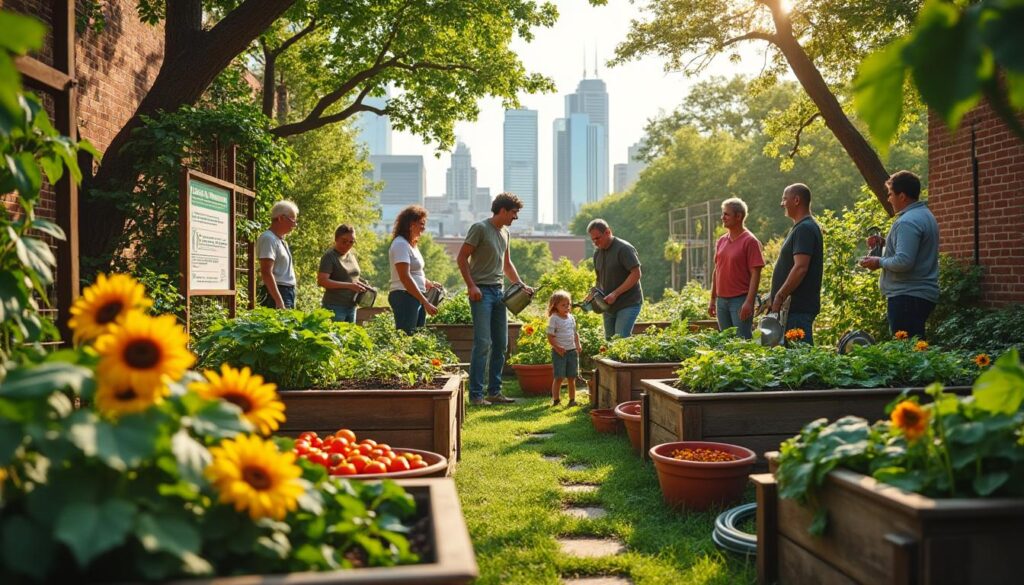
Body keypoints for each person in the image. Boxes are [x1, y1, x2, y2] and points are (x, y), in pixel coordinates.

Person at [458, 192, 531, 406]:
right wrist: (471, 286)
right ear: (502, 210)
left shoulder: (506, 233)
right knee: (483, 343)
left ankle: (494, 392)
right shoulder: (480, 228)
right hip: (481, 292)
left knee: (501, 343)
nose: (515, 217)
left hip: (499, 293)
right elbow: (462, 257)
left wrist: (520, 285)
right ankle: (476, 395)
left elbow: (507, 264)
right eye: (514, 213)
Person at [858, 171, 939, 339]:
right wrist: (884, 244)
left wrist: (878, 261)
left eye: (890, 194)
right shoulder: (924, 215)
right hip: (919, 296)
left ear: (902, 196)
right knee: (914, 350)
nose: (888, 199)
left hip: (907, 297)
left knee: (905, 355)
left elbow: (904, 261)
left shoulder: (907, 221)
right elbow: (912, 252)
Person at [769, 183, 823, 345]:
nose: (782, 203)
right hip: (794, 309)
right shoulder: (802, 227)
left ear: (797, 200)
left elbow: (800, 267)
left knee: (801, 363)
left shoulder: (804, 229)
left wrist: (780, 296)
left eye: (785, 199)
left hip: (798, 309)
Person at [709, 198, 765, 339]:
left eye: (726, 214)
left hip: (740, 300)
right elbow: (717, 270)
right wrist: (712, 299)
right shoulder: (721, 241)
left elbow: (755, 274)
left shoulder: (750, 241)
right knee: (726, 342)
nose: (722, 218)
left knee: (742, 341)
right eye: (723, 214)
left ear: (738, 216)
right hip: (722, 301)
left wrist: (749, 302)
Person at [388, 205, 441, 334]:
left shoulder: (411, 245)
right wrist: (425, 302)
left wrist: (426, 282)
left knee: (417, 337)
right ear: (411, 224)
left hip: (415, 297)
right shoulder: (400, 244)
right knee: (407, 337)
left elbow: (414, 271)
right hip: (405, 296)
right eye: (421, 223)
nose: (424, 227)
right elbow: (405, 277)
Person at [587, 219, 643, 340]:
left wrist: (615, 293)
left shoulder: (624, 249)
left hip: (628, 303)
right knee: (609, 341)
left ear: (608, 232)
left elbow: (636, 274)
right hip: (608, 306)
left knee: (620, 339)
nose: (595, 242)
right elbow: (599, 279)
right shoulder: (597, 253)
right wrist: (593, 293)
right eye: (593, 240)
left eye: (598, 238)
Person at [316, 224, 368, 323]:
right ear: (336, 239)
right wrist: (349, 286)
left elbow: (351, 277)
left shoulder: (351, 256)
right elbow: (322, 281)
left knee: (349, 337)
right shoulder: (329, 256)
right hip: (335, 306)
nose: (348, 244)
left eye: (351, 242)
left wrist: (361, 284)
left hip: (351, 306)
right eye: (344, 241)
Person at [257, 200, 298, 309]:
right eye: (292, 219)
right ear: (281, 218)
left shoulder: (281, 240)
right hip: (277, 293)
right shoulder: (268, 238)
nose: (295, 224)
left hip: (287, 292)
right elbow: (266, 272)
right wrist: (279, 300)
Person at [546, 290, 582, 407]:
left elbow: (575, 333)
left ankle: (572, 400)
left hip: (572, 352)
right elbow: (550, 337)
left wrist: (578, 345)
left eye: (568, 304)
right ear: (555, 305)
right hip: (559, 353)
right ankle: (556, 400)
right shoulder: (554, 318)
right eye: (563, 305)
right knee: (559, 377)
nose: (567, 307)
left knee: (572, 377)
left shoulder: (571, 318)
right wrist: (557, 347)